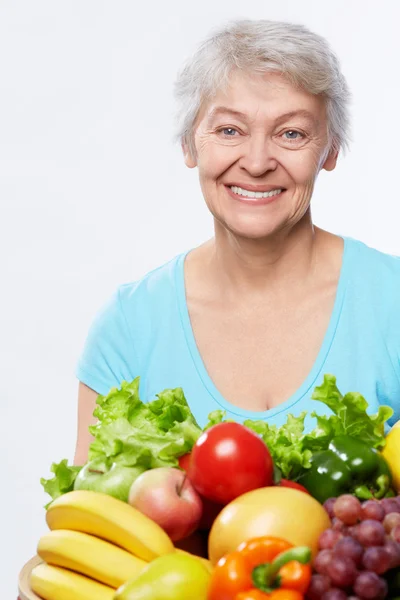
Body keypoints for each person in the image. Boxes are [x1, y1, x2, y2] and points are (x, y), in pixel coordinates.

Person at [74, 18, 400, 468]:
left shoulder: (393, 302)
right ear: (190, 144)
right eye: (230, 130)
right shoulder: (129, 326)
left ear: (330, 151)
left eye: (292, 133)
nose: (258, 162)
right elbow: (90, 518)